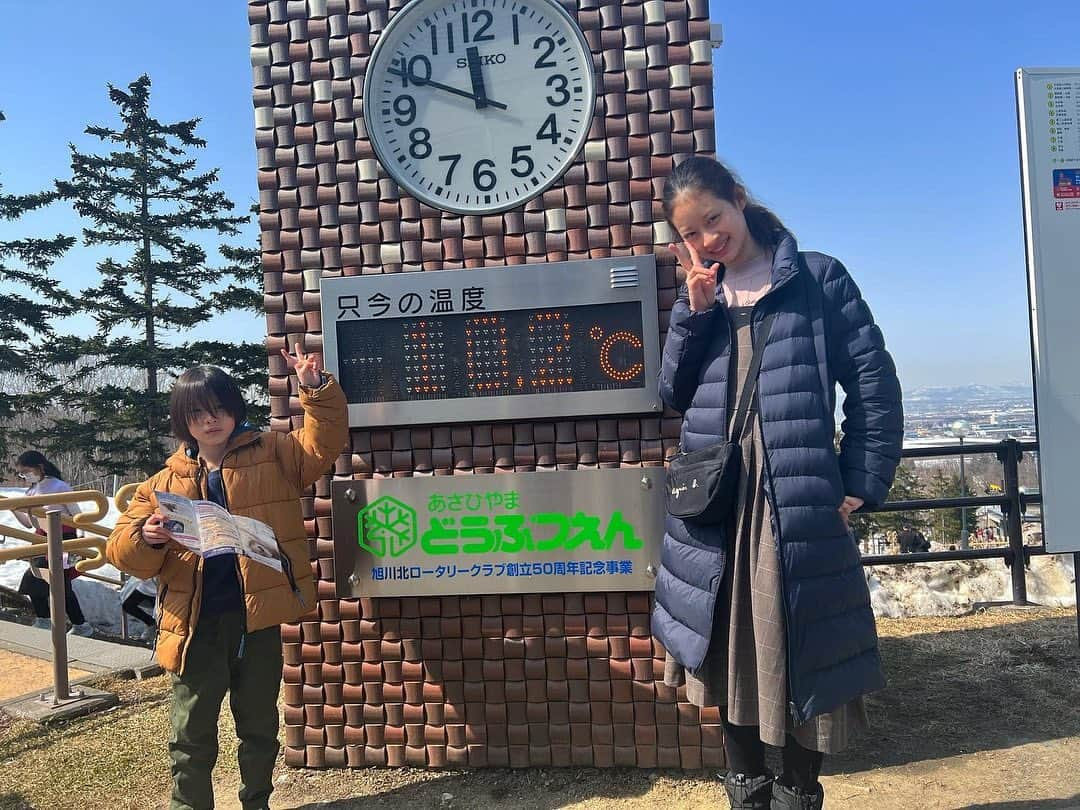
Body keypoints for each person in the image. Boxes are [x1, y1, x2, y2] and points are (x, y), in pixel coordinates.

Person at [653, 157, 903, 810]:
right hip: (715, 512)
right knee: (726, 652)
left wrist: (861, 480)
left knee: (799, 652)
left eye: (713, 218)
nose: (708, 240)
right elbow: (672, 394)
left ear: (738, 200)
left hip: (794, 505)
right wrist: (692, 314)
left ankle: (797, 794)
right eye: (691, 234)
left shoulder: (817, 278)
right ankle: (748, 797)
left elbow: (873, 383)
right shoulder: (700, 297)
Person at [106, 348, 348, 810]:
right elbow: (122, 553)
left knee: (258, 726)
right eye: (197, 413)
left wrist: (315, 389)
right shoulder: (161, 484)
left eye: (218, 408)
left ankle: (256, 801)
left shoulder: (276, 452)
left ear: (235, 409)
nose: (210, 420)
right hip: (194, 625)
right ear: (183, 421)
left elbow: (325, 441)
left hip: (256, 620)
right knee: (190, 733)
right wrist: (150, 536)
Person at [10, 451, 94, 636]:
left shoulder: (59, 486)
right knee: (39, 580)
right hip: (41, 539)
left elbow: (77, 515)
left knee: (58, 584)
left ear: (39, 467)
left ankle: (78, 624)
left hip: (64, 539)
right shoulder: (31, 491)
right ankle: (49, 620)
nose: (25, 476)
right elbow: (28, 523)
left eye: (27, 471)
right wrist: (14, 508)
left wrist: (81, 542)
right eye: (22, 473)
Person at [119, 575, 158, 642]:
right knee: (127, 605)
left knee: (159, 614)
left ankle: (151, 636)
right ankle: (151, 623)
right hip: (143, 587)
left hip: (159, 590)